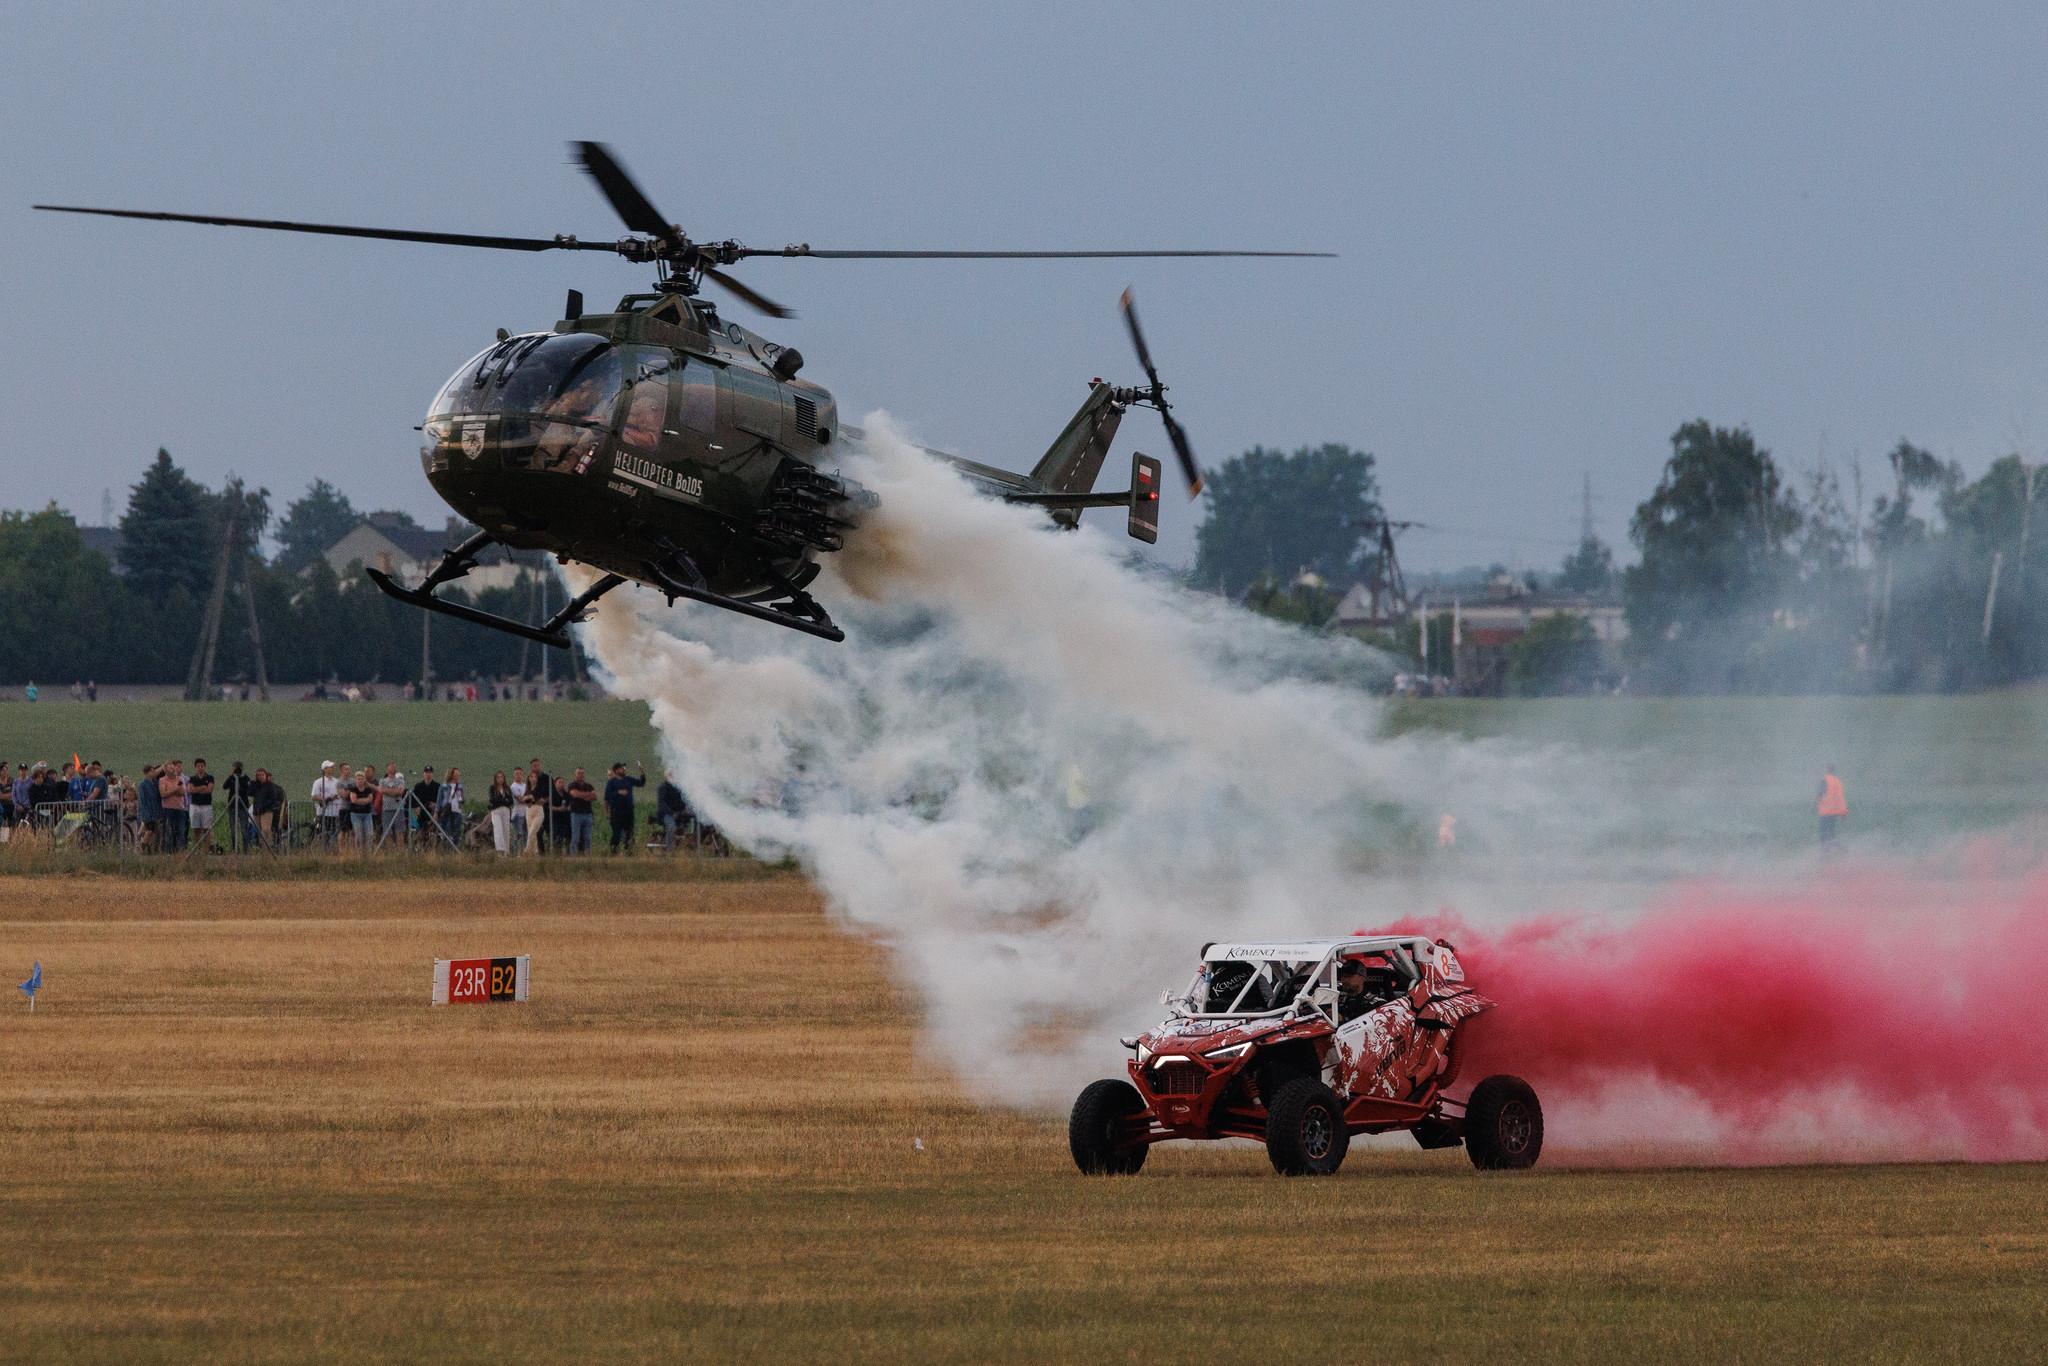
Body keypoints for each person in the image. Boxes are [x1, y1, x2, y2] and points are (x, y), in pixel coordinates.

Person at [603, 761, 646, 854]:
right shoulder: (611, 783)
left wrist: (642, 771)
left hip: (628, 812)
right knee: (616, 834)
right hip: (616, 812)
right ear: (617, 770)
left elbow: (641, 783)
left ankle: (629, 852)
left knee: (629, 833)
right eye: (622, 768)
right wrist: (618, 792)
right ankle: (614, 852)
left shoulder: (628, 779)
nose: (624, 770)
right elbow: (607, 797)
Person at [220, 762, 256, 851]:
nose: (237, 770)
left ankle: (245, 849)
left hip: (243, 806)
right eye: (235, 768)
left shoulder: (246, 778)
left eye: (238, 768)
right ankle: (235, 848)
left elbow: (249, 790)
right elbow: (224, 786)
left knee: (244, 828)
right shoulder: (231, 778)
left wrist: (242, 781)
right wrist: (231, 776)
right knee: (233, 828)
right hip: (232, 806)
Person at [310, 760, 344, 848]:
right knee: (324, 833)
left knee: (335, 832)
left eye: (332, 767)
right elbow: (314, 796)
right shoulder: (318, 782)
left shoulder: (337, 781)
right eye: (330, 767)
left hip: (336, 812)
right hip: (324, 813)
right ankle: (324, 849)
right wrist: (327, 799)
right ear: (324, 769)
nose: (332, 769)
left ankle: (333, 849)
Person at [250, 767, 286, 848]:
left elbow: (274, 798)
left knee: (266, 830)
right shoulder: (256, 785)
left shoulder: (270, 786)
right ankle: (262, 847)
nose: (260, 776)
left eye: (262, 775)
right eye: (258, 775)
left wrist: (265, 806)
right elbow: (249, 793)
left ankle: (269, 847)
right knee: (259, 830)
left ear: (265, 776)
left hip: (267, 810)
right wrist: (253, 784)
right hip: (257, 811)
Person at [158, 759, 189, 853]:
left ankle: (180, 851)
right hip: (168, 809)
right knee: (168, 831)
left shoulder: (179, 779)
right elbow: (163, 794)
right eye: (170, 767)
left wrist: (170, 791)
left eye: (172, 767)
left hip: (180, 808)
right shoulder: (162, 780)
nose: (172, 769)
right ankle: (168, 851)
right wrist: (175, 789)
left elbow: (182, 792)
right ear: (166, 770)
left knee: (181, 831)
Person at [186, 758, 216, 852]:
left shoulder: (210, 778)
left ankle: (206, 850)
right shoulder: (192, 778)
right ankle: (196, 849)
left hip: (206, 806)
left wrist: (197, 789)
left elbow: (209, 790)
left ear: (204, 767)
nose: (200, 768)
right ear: (195, 767)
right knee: (196, 829)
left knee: (206, 829)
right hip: (195, 806)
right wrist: (202, 787)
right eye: (198, 766)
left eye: (202, 766)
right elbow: (190, 790)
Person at [565, 768, 597, 854]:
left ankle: (588, 854)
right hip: (576, 814)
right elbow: (574, 794)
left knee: (588, 837)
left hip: (588, 814)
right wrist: (587, 794)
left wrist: (581, 795)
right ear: (575, 774)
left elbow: (594, 797)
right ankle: (574, 855)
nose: (581, 775)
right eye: (579, 773)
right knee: (575, 837)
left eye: (582, 773)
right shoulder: (572, 785)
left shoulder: (589, 786)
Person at [411, 766, 443, 847]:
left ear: (432, 774)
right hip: (421, 815)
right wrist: (416, 808)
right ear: (423, 774)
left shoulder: (438, 786)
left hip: (433, 815)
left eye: (430, 773)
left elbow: (441, 801)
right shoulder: (418, 786)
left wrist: (436, 806)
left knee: (434, 834)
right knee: (421, 835)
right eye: (426, 773)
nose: (428, 775)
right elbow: (413, 800)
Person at [655, 772, 686, 853]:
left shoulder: (678, 789)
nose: (673, 776)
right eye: (671, 775)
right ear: (667, 776)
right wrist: (672, 813)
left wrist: (684, 809)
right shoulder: (663, 788)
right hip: (665, 814)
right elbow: (662, 804)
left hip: (678, 814)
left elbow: (682, 802)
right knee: (671, 826)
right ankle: (669, 851)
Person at [486, 771, 516, 855]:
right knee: (498, 829)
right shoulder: (492, 788)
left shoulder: (507, 788)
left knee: (506, 830)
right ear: (495, 779)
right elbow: (492, 800)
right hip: (496, 811)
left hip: (506, 811)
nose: (500, 779)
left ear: (504, 778)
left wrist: (501, 801)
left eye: (501, 777)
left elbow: (510, 801)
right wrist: (503, 800)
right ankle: (500, 849)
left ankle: (506, 852)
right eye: (498, 777)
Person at [346, 768, 377, 848]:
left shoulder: (368, 789)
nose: (360, 780)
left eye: (361, 779)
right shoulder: (353, 789)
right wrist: (364, 800)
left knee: (369, 834)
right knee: (359, 835)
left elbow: (370, 799)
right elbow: (353, 800)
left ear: (364, 780)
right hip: (356, 814)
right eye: (358, 779)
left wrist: (360, 800)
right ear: (355, 780)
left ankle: (368, 852)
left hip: (367, 814)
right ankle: (359, 853)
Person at [135, 761, 163, 849]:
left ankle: (145, 844)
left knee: (152, 830)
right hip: (148, 811)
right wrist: (145, 813)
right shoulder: (143, 785)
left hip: (155, 810)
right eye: (151, 771)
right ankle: (142, 846)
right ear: (146, 773)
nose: (153, 773)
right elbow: (142, 800)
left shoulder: (155, 782)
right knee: (150, 830)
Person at [1817, 765, 1848, 844]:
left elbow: (1820, 794)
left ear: (1826, 770)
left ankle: (1826, 853)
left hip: (1825, 811)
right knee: (1831, 832)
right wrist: (1843, 813)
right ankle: (1837, 850)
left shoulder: (1824, 780)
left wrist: (1817, 803)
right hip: (1834, 812)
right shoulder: (1837, 782)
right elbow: (1840, 798)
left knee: (1823, 834)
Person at [378, 763, 408, 846]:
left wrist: (387, 791)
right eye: (391, 767)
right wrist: (394, 791)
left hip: (398, 809)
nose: (393, 769)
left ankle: (400, 852)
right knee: (387, 832)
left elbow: (400, 792)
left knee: (400, 831)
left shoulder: (400, 781)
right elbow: (381, 791)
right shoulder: (382, 781)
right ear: (387, 769)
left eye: (394, 767)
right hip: (387, 809)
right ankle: (390, 852)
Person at [438, 767, 467, 845]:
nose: (458, 776)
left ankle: (455, 850)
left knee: (456, 832)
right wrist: (437, 811)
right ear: (452, 775)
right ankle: (446, 850)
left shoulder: (459, 786)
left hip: (457, 811)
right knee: (447, 831)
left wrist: (462, 799)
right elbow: (439, 799)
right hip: (447, 810)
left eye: (458, 774)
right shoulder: (444, 786)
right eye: (456, 774)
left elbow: (461, 800)